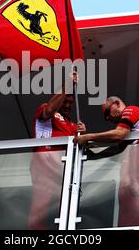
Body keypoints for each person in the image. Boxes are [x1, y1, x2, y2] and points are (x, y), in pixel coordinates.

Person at [73, 96, 139, 227]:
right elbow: (117, 149)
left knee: (132, 198)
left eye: (107, 112)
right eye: (105, 117)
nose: (108, 118)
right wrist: (92, 153)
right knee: (128, 203)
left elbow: (119, 134)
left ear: (117, 104)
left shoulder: (131, 110)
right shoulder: (131, 131)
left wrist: (89, 137)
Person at [28, 74, 86, 230]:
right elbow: (50, 109)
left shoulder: (72, 125)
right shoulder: (47, 112)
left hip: (63, 171)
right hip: (45, 165)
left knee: (64, 212)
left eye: (70, 102)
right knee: (40, 209)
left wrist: (84, 135)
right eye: (65, 101)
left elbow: (81, 147)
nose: (67, 105)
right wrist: (68, 84)